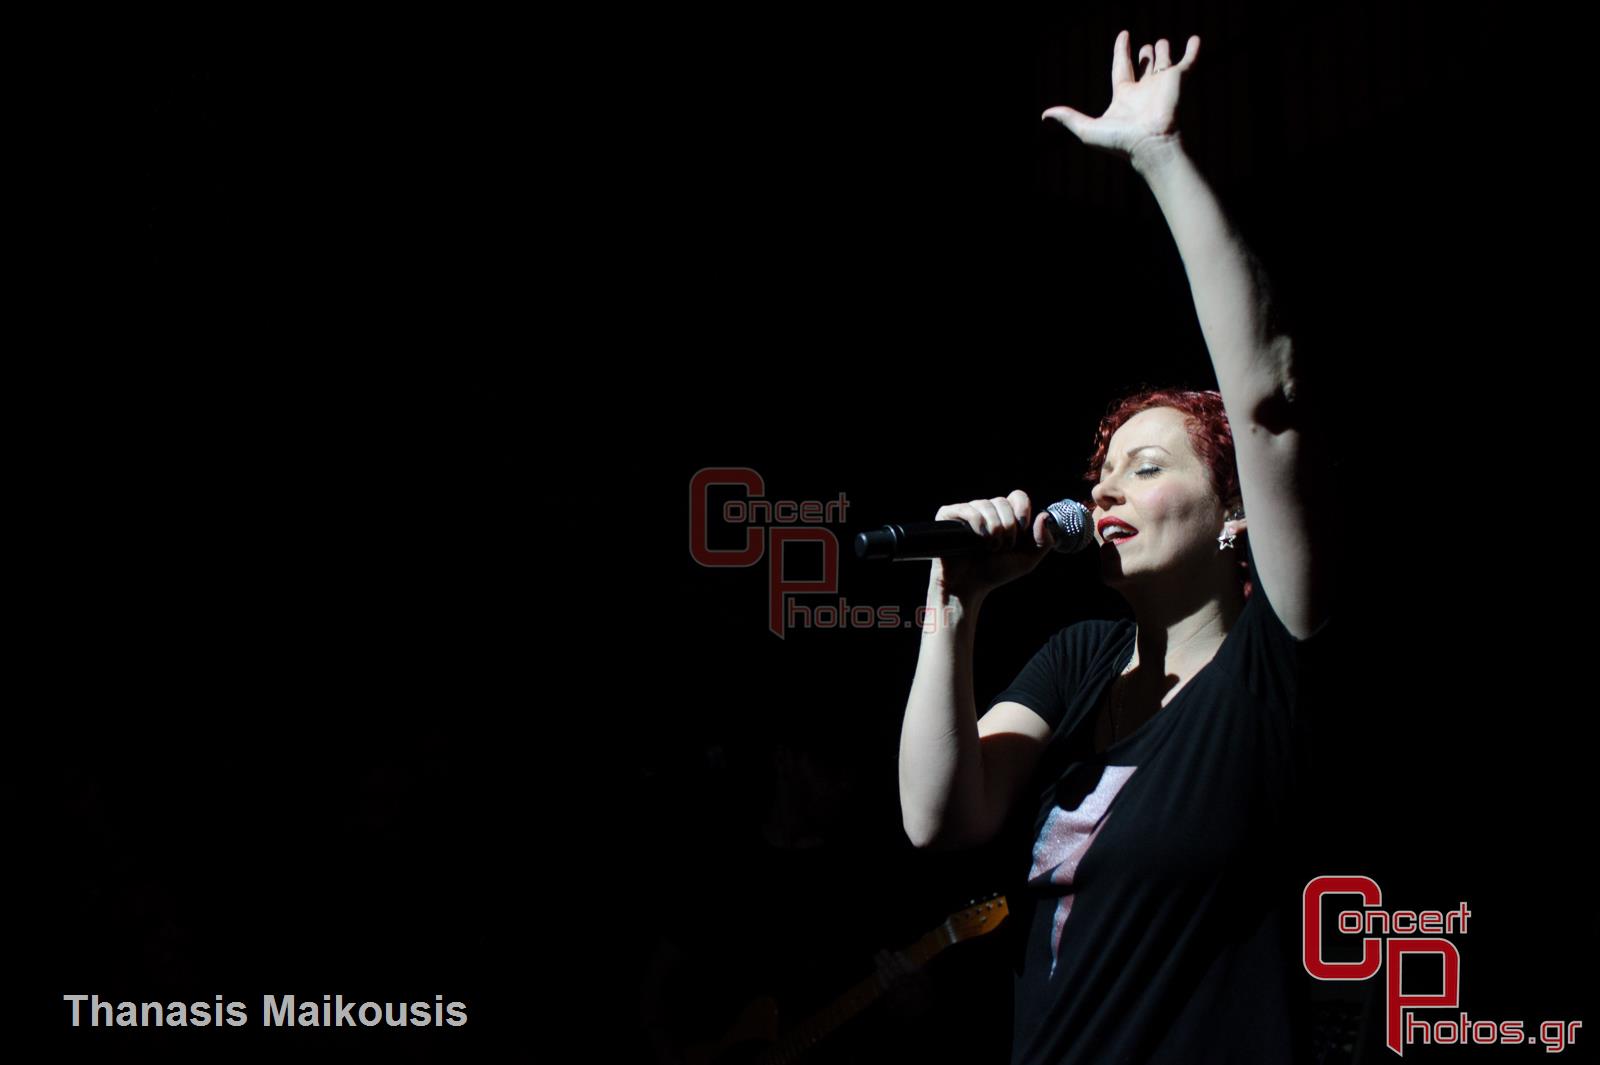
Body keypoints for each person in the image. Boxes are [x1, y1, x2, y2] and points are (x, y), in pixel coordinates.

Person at [895, 30, 1334, 1064]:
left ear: (1233, 512)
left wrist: (1159, 159)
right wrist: (953, 604)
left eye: (1145, 466)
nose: (1104, 488)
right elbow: (939, 817)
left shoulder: (1275, 661)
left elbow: (1268, 402)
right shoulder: (1082, 661)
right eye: (1102, 470)